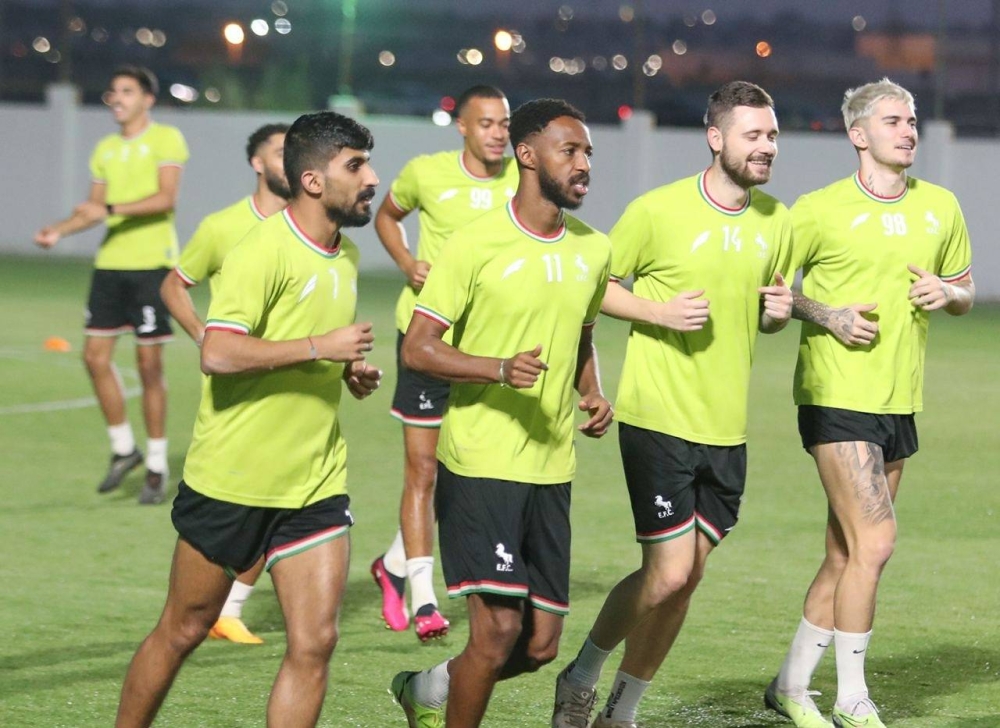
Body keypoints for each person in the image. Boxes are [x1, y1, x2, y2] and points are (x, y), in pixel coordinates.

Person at [114, 111, 383, 728]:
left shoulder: (346, 255)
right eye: (355, 166)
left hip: (314, 482)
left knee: (315, 643)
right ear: (312, 181)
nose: (371, 179)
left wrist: (346, 369)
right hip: (233, 480)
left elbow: (308, 340)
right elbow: (217, 352)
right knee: (184, 628)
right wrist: (320, 347)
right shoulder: (259, 252)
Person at [552, 81, 794, 728]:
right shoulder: (657, 211)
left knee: (687, 578)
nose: (767, 146)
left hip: (728, 428)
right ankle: (580, 677)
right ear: (715, 138)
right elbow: (595, 286)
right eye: (752, 135)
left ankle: (621, 712)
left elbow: (765, 312)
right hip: (657, 417)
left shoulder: (777, 220)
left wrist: (777, 314)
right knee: (666, 573)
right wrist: (657, 311)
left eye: (772, 135)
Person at [390, 98, 613, 728]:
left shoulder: (595, 249)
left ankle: (427, 687)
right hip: (480, 462)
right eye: (569, 151)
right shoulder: (475, 243)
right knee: (496, 632)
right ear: (527, 155)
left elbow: (581, 337)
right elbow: (418, 348)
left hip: (553, 466)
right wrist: (496, 367)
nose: (583, 164)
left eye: (588, 152)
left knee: (539, 646)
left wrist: (592, 392)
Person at [764, 79, 975, 728]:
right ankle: (851, 697)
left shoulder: (940, 205)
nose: (908, 130)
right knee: (876, 542)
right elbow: (771, 292)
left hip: (898, 398)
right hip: (835, 394)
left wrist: (947, 293)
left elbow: (965, 288)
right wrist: (826, 313)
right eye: (893, 121)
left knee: (846, 552)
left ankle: (791, 685)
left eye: (911, 120)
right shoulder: (817, 210)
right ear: (858, 134)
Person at [371, 84, 519, 642]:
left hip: (487, 346)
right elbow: (387, 216)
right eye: (486, 123)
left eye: (504, 123)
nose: (498, 134)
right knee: (423, 470)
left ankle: (392, 564)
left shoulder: (521, 180)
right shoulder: (426, 173)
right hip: (426, 340)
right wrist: (407, 262)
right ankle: (424, 598)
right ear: (462, 126)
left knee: (464, 470)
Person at [159, 122, 290, 646]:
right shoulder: (223, 226)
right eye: (279, 151)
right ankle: (203, 607)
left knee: (282, 502)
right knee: (236, 509)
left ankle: (229, 609)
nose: (289, 160)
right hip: (237, 395)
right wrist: (202, 335)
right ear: (257, 163)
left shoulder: (314, 230)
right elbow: (174, 284)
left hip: (295, 392)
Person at [34, 66, 188, 504]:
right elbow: (93, 208)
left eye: (126, 91)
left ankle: (156, 464)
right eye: (113, 91)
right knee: (94, 357)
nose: (117, 98)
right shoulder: (105, 148)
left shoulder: (166, 139)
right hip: (109, 266)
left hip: (152, 266)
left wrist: (112, 209)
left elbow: (166, 198)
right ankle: (124, 449)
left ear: (147, 99)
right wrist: (59, 230)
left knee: (149, 366)